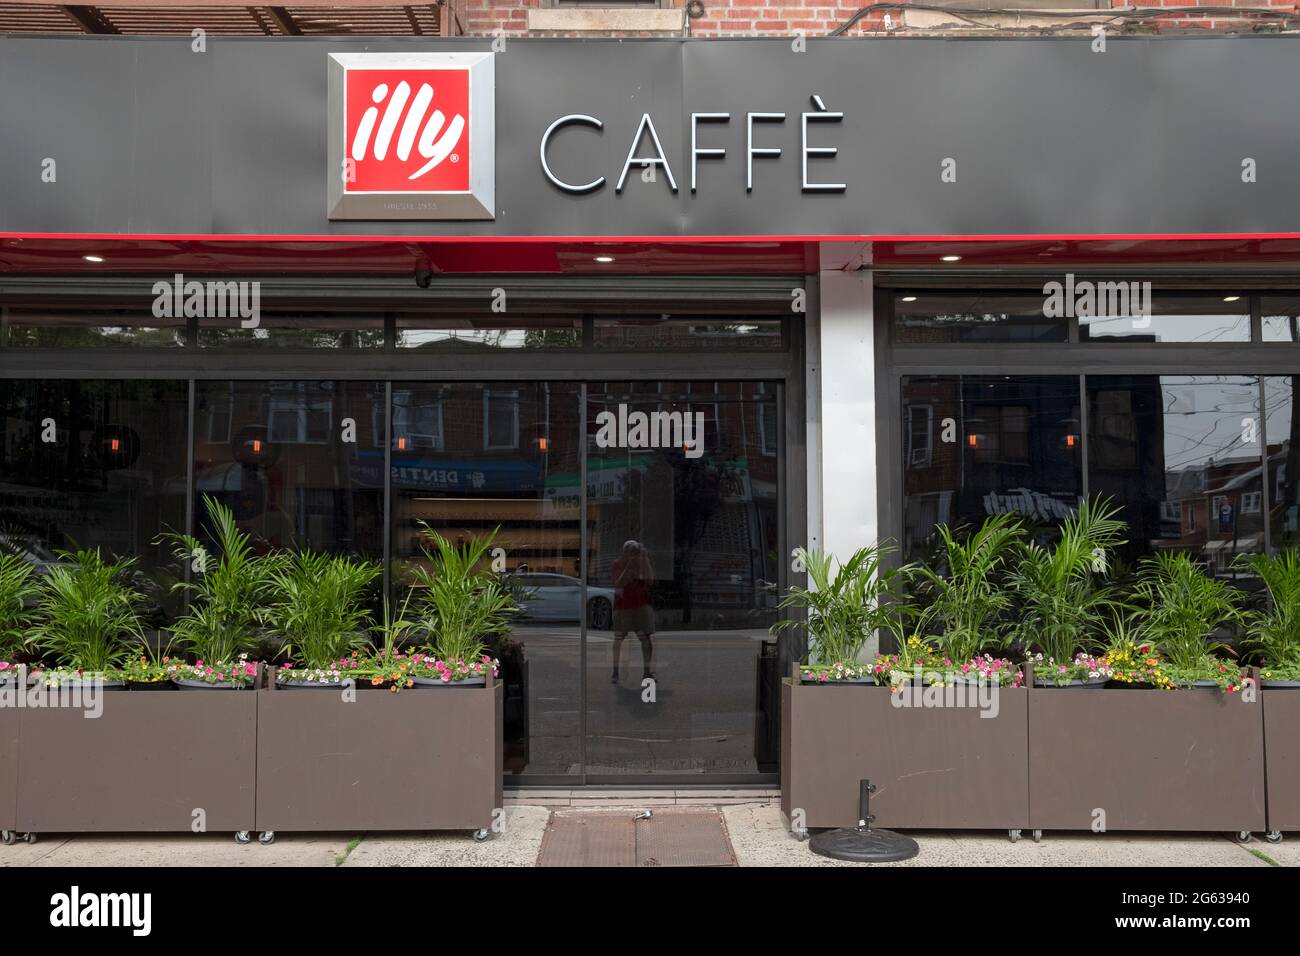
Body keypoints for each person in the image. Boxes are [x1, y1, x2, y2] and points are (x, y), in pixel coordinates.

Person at [611, 539, 655, 684]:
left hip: (640, 605)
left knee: (645, 638)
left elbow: (650, 580)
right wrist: (630, 564)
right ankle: (615, 671)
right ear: (624, 552)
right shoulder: (618, 563)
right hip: (623, 607)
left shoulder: (642, 563)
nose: (634, 555)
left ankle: (647, 672)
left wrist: (645, 559)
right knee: (619, 638)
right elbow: (619, 583)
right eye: (631, 552)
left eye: (635, 552)